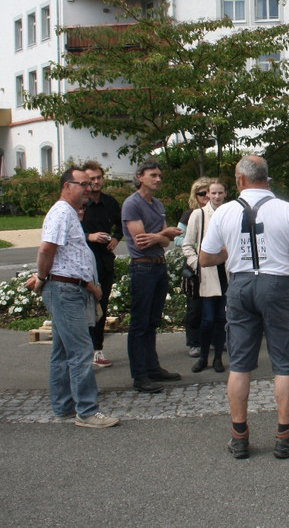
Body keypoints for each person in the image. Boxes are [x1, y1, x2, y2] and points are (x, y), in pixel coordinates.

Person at [199, 155, 289, 460]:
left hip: (240, 286)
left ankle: (239, 437)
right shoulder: (286, 210)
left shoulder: (224, 211)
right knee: (284, 363)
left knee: (239, 364)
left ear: (240, 180)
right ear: (267, 178)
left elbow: (205, 258)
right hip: (277, 286)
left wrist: (232, 251)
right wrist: (282, 249)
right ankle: (286, 436)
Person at [29, 167, 119, 428]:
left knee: (62, 351)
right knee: (81, 351)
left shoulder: (69, 213)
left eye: (90, 184)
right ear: (67, 186)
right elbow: (46, 249)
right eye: (84, 184)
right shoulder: (61, 212)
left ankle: (64, 405)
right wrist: (42, 277)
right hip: (65, 290)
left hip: (69, 289)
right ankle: (87, 411)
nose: (89, 188)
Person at [121, 160, 183, 393]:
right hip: (143, 267)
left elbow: (165, 242)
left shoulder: (157, 204)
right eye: (153, 175)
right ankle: (140, 375)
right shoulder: (132, 204)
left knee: (152, 321)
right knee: (140, 323)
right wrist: (163, 234)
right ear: (140, 177)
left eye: (159, 176)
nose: (158, 179)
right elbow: (141, 241)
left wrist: (159, 236)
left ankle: (152, 367)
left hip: (158, 266)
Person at [182, 178, 229, 373]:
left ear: (225, 194)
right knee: (208, 318)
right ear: (207, 194)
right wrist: (197, 265)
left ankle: (218, 358)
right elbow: (187, 244)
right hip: (207, 273)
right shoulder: (198, 214)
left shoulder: (230, 213)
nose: (217, 196)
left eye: (220, 193)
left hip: (226, 273)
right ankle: (203, 357)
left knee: (221, 318)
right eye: (213, 193)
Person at [80, 160, 122, 369]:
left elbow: (121, 225)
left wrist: (115, 239)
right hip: (84, 262)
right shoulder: (80, 203)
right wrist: (89, 236)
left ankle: (97, 348)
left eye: (98, 178)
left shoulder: (110, 202)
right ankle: (83, 350)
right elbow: (70, 232)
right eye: (91, 179)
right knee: (83, 305)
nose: (95, 182)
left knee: (101, 305)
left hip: (104, 261)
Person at [178, 178, 212, 358]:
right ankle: (194, 342)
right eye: (202, 193)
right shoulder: (189, 214)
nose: (206, 196)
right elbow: (178, 239)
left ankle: (214, 339)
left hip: (214, 265)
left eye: (208, 192)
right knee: (195, 308)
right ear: (195, 196)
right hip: (195, 266)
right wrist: (199, 248)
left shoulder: (219, 212)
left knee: (215, 305)